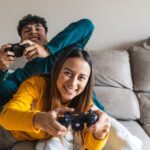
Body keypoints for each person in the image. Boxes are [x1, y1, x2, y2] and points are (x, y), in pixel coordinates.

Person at [0, 46, 110, 150]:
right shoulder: (35, 85)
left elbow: (91, 146)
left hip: (32, 139)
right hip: (7, 132)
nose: (73, 84)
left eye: (81, 78)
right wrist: (40, 119)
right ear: (57, 71)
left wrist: (99, 133)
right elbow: (6, 116)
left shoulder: (84, 102)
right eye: (68, 73)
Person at [0, 14, 104, 111]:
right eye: (27, 30)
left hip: (91, 112)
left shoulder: (66, 53)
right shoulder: (21, 75)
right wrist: (1, 69)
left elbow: (87, 25)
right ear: (21, 40)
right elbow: (2, 94)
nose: (33, 31)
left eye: (38, 28)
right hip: (51, 122)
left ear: (46, 37)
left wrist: (47, 50)